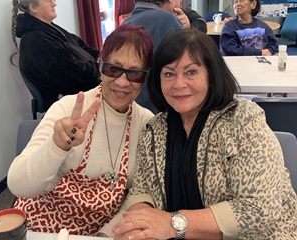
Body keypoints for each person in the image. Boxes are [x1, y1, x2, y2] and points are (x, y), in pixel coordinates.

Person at [111, 28, 297, 239]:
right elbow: (142, 189)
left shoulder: (243, 119)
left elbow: (259, 210)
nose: (179, 84)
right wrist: (137, 223)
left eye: (191, 72)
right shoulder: (155, 129)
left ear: (211, 74)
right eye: (169, 74)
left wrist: (171, 223)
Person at [7, 24, 154, 236]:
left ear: (145, 77)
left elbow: (139, 193)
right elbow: (18, 185)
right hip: (41, 229)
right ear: (100, 66)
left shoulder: (145, 123)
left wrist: (108, 232)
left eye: (135, 73)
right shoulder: (68, 108)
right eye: (113, 69)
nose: (122, 82)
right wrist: (56, 145)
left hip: (98, 233)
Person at [10, 0, 101, 111]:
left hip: (86, 91)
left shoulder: (50, 29)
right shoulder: (37, 40)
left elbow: (83, 47)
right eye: (48, 1)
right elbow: (74, 75)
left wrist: (104, 57)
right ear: (33, 8)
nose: (54, 3)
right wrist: (102, 67)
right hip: (71, 107)